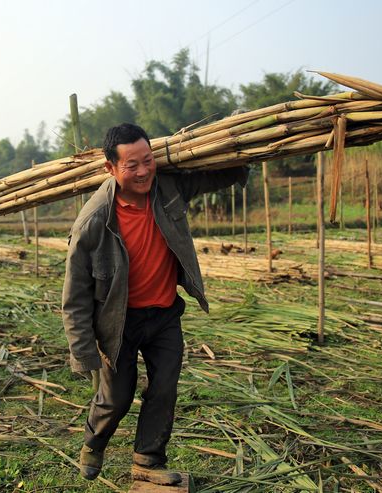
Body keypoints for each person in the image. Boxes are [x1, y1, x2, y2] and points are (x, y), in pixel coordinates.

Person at [62, 123, 248, 485]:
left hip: (164, 314)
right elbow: (75, 295)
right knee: (116, 396)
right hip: (118, 323)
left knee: (164, 387)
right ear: (110, 169)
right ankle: (93, 443)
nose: (144, 171)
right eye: (132, 165)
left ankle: (148, 459)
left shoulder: (168, 189)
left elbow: (213, 177)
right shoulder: (94, 221)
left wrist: (242, 149)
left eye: (148, 161)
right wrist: (83, 351)